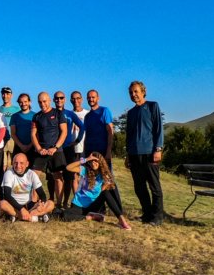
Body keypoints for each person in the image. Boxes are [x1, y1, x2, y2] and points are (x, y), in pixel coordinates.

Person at [125, 81, 165, 225]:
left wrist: (158, 149)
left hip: (150, 153)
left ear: (143, 91)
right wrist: (128, 154)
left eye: (136, 91)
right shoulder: (131, 113)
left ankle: (158, 216)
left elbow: (159, 128)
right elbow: (129, 135)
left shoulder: (153, 106)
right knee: (139, 187)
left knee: (154, 186)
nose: (133, 94)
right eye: (131, 92)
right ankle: (147, 214)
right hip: (134, 154)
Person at [64, 153, 131, 230]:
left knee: (106, 192)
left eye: (95, 161)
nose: (93, 163)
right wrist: (86, 159)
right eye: (91, 161)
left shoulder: (104, 174)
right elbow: (68, 167)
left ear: (100, 162)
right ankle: (90, 217)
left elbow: (102, 191)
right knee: (65, 215)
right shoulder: (85, 170)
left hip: (93, 205)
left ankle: (121, 220)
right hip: (78, 204)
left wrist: (106, 184)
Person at [30, 91, 68, 202]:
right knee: (34, 177)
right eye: (40, 102)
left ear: (50, 100)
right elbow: (33, 134)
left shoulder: (58, 114)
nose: (42, 104)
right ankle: (33, 204)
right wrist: (39, 149)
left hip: (56, 151)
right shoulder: (36, 116)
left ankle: (59, 205)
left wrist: (55, 147)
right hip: (41, 151)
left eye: (44, 101)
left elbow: (64, 132)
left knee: (58, 177)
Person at [0, 152, 55, 223]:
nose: (18, 166)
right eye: (15, 163)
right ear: (12, 163)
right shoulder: (8, 173)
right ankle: (35, 218)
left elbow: (42, 194)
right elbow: (7, 196)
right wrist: (21, 209)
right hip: (14, 205)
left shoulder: (32, 174)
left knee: (51, 203)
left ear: (27, 164)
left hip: (29, 204)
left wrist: (41, 204)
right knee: (2, 204)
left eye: (21, 163)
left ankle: (18, 216)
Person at [53, 91, 85, 207]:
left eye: (61, 98)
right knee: (55, 176)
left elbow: (82, 126)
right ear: (54, 100)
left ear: (65, 99)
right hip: (55, 149)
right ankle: (55, 202)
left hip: (67, 148)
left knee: (69, 177)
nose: (59, 100)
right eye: (57, 98)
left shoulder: (70, 114)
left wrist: (77, 141)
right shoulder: (51, 113)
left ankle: (67, 202)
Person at [67, 90, 89, 201]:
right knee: (73, 176)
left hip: (84, 149)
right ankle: (76, 201)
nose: (76, 100)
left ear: (82, 99)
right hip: (72, 149)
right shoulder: (69, 114)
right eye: (73, 98)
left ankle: (84, 201)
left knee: (84, 175)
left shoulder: (88, 114)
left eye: (78, 98)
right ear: (71, 100)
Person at [83, 89, 114, 161]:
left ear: (98, 98)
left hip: (102, 151)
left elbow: (110, 132)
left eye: (93, 97)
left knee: (105, 168)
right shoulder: (87, 116)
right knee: (87, 169)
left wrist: (109, 151)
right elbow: (86, 135)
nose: (91, 99)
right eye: (89, 97)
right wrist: (84, 152)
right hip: (89, 152)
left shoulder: (104, 111)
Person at [9, 93, 35, 163]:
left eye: (25, 101)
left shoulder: (35, 116)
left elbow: (37, 133)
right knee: (17, 167)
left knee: (31, 168)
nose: (23, 104)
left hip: (32, 147)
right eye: (21, 102)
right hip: (18, 147)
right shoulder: (14, 116)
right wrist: (21, 146)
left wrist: (29, 146)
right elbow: (13, 133)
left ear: (29, 102)